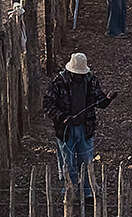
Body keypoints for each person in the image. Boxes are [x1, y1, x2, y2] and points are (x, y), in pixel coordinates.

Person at [42, 51, 112, 198]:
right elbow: (48, 105)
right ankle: (69, 191)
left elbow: (98, 101)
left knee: (86, 162)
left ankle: (87, 192)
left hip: (85, 128)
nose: (79, 76)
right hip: (65, 130)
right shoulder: (58, 82)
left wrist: (107, 99)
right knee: (67, 163)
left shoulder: (91, 80)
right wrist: (62, 117)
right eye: (77, 74)